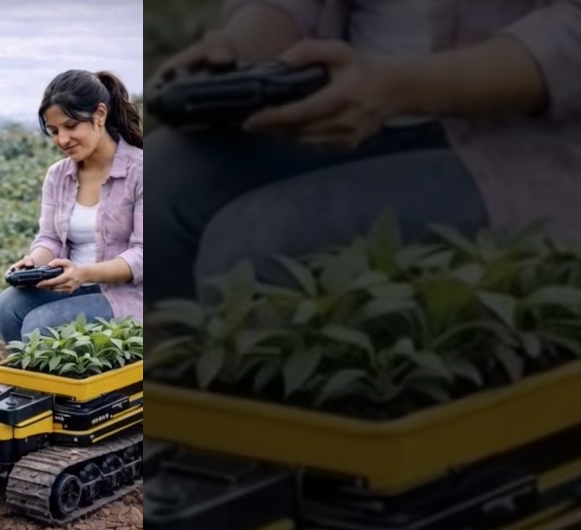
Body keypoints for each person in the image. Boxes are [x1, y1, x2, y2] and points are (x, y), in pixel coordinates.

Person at [146, 0, 581, 303]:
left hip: (518, 146)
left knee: (254, 248)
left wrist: (394, 89)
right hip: (342, 95)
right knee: (156, 194)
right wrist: (236, 55)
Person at [0, 70, 144, 343]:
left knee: (43, 325)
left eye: (71, 126)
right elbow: (49, 237)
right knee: (8, 306)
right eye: (54, 131)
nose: (62, 140)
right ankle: (37, 385)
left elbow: (144, 254)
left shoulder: (142, 171)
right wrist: (34, 262)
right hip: (74, 286)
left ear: (100, 114)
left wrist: (84, 273)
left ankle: (65, 385)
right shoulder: (58, 175)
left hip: (130, 295)